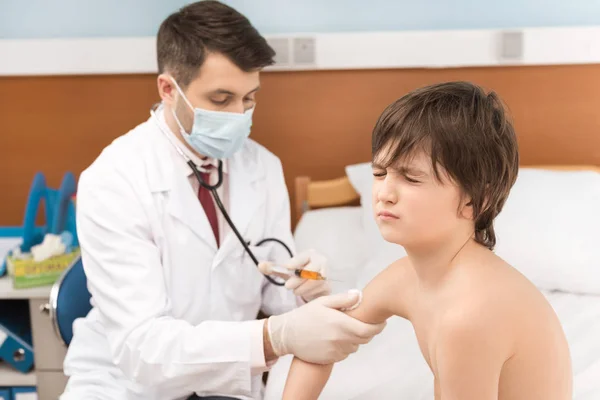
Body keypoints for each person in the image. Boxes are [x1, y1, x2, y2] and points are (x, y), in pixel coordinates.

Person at [59, 2, 385, 399]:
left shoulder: (262, 167)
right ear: (168, 89)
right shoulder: (114, 180)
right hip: (126, 385)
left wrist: (303, 286)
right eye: (220, 99)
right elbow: (144, 351)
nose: (239, 116)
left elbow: (271, 288)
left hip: (229, 381)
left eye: (249, 99)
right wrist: (275, 336)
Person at [281, 81, 573, 399]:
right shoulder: (404, 278)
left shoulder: (468, 315)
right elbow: (321, 339)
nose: (384, 194)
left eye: (410, 178)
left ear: (476, 201)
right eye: (379, 173)